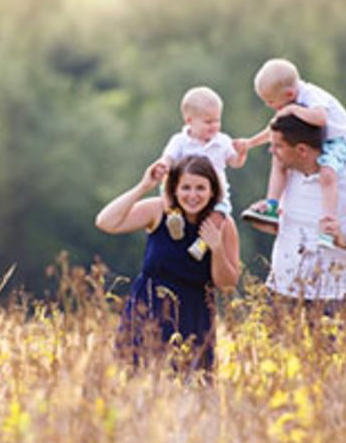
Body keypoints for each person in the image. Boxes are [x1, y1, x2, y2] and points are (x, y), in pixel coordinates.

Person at [95, 155, 241, 371]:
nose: (193, 195)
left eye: (201, 188)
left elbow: (227, 284)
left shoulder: (222, 224)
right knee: (137, 382)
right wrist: (144, 186)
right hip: (148, 310)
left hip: (194, 317)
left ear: (213, 191)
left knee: (191, 388)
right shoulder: (159, 210)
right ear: (174, 189)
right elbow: (106, 222)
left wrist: (217, 248)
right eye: (186, 188)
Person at [243, 114, 346, 307]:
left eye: (278, 146)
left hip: (331, 300)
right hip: (279, 295)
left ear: (301, 150)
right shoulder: (286, 176)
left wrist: (344, 241)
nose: (271, 151)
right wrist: (261, 216)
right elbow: (288, 230)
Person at [235, 59, 346, 245]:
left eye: (270, 101)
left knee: (327, 171)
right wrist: (250, 143)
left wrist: (293, 110)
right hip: (317, 139)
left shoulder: (311, 96)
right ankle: (272, 203)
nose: (269, 105)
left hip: (339, 140)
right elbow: (275, 129)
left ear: (289, 94)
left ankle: (328, 221)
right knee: (279, 156)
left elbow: (320, 118)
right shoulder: (290, 102)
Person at [156, 86, 248, 217]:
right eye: (208, 122)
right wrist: (163, 165)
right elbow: (168, 158)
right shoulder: (180, 141)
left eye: (217, 120)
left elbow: (235, 162)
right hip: (184, 191)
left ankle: (209, 233)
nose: (214, 126)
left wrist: (241, 153)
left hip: (215, 194)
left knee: (219, 214)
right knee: (166, 187)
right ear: (189, 121)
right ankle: (173, 216)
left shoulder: (222, 141)